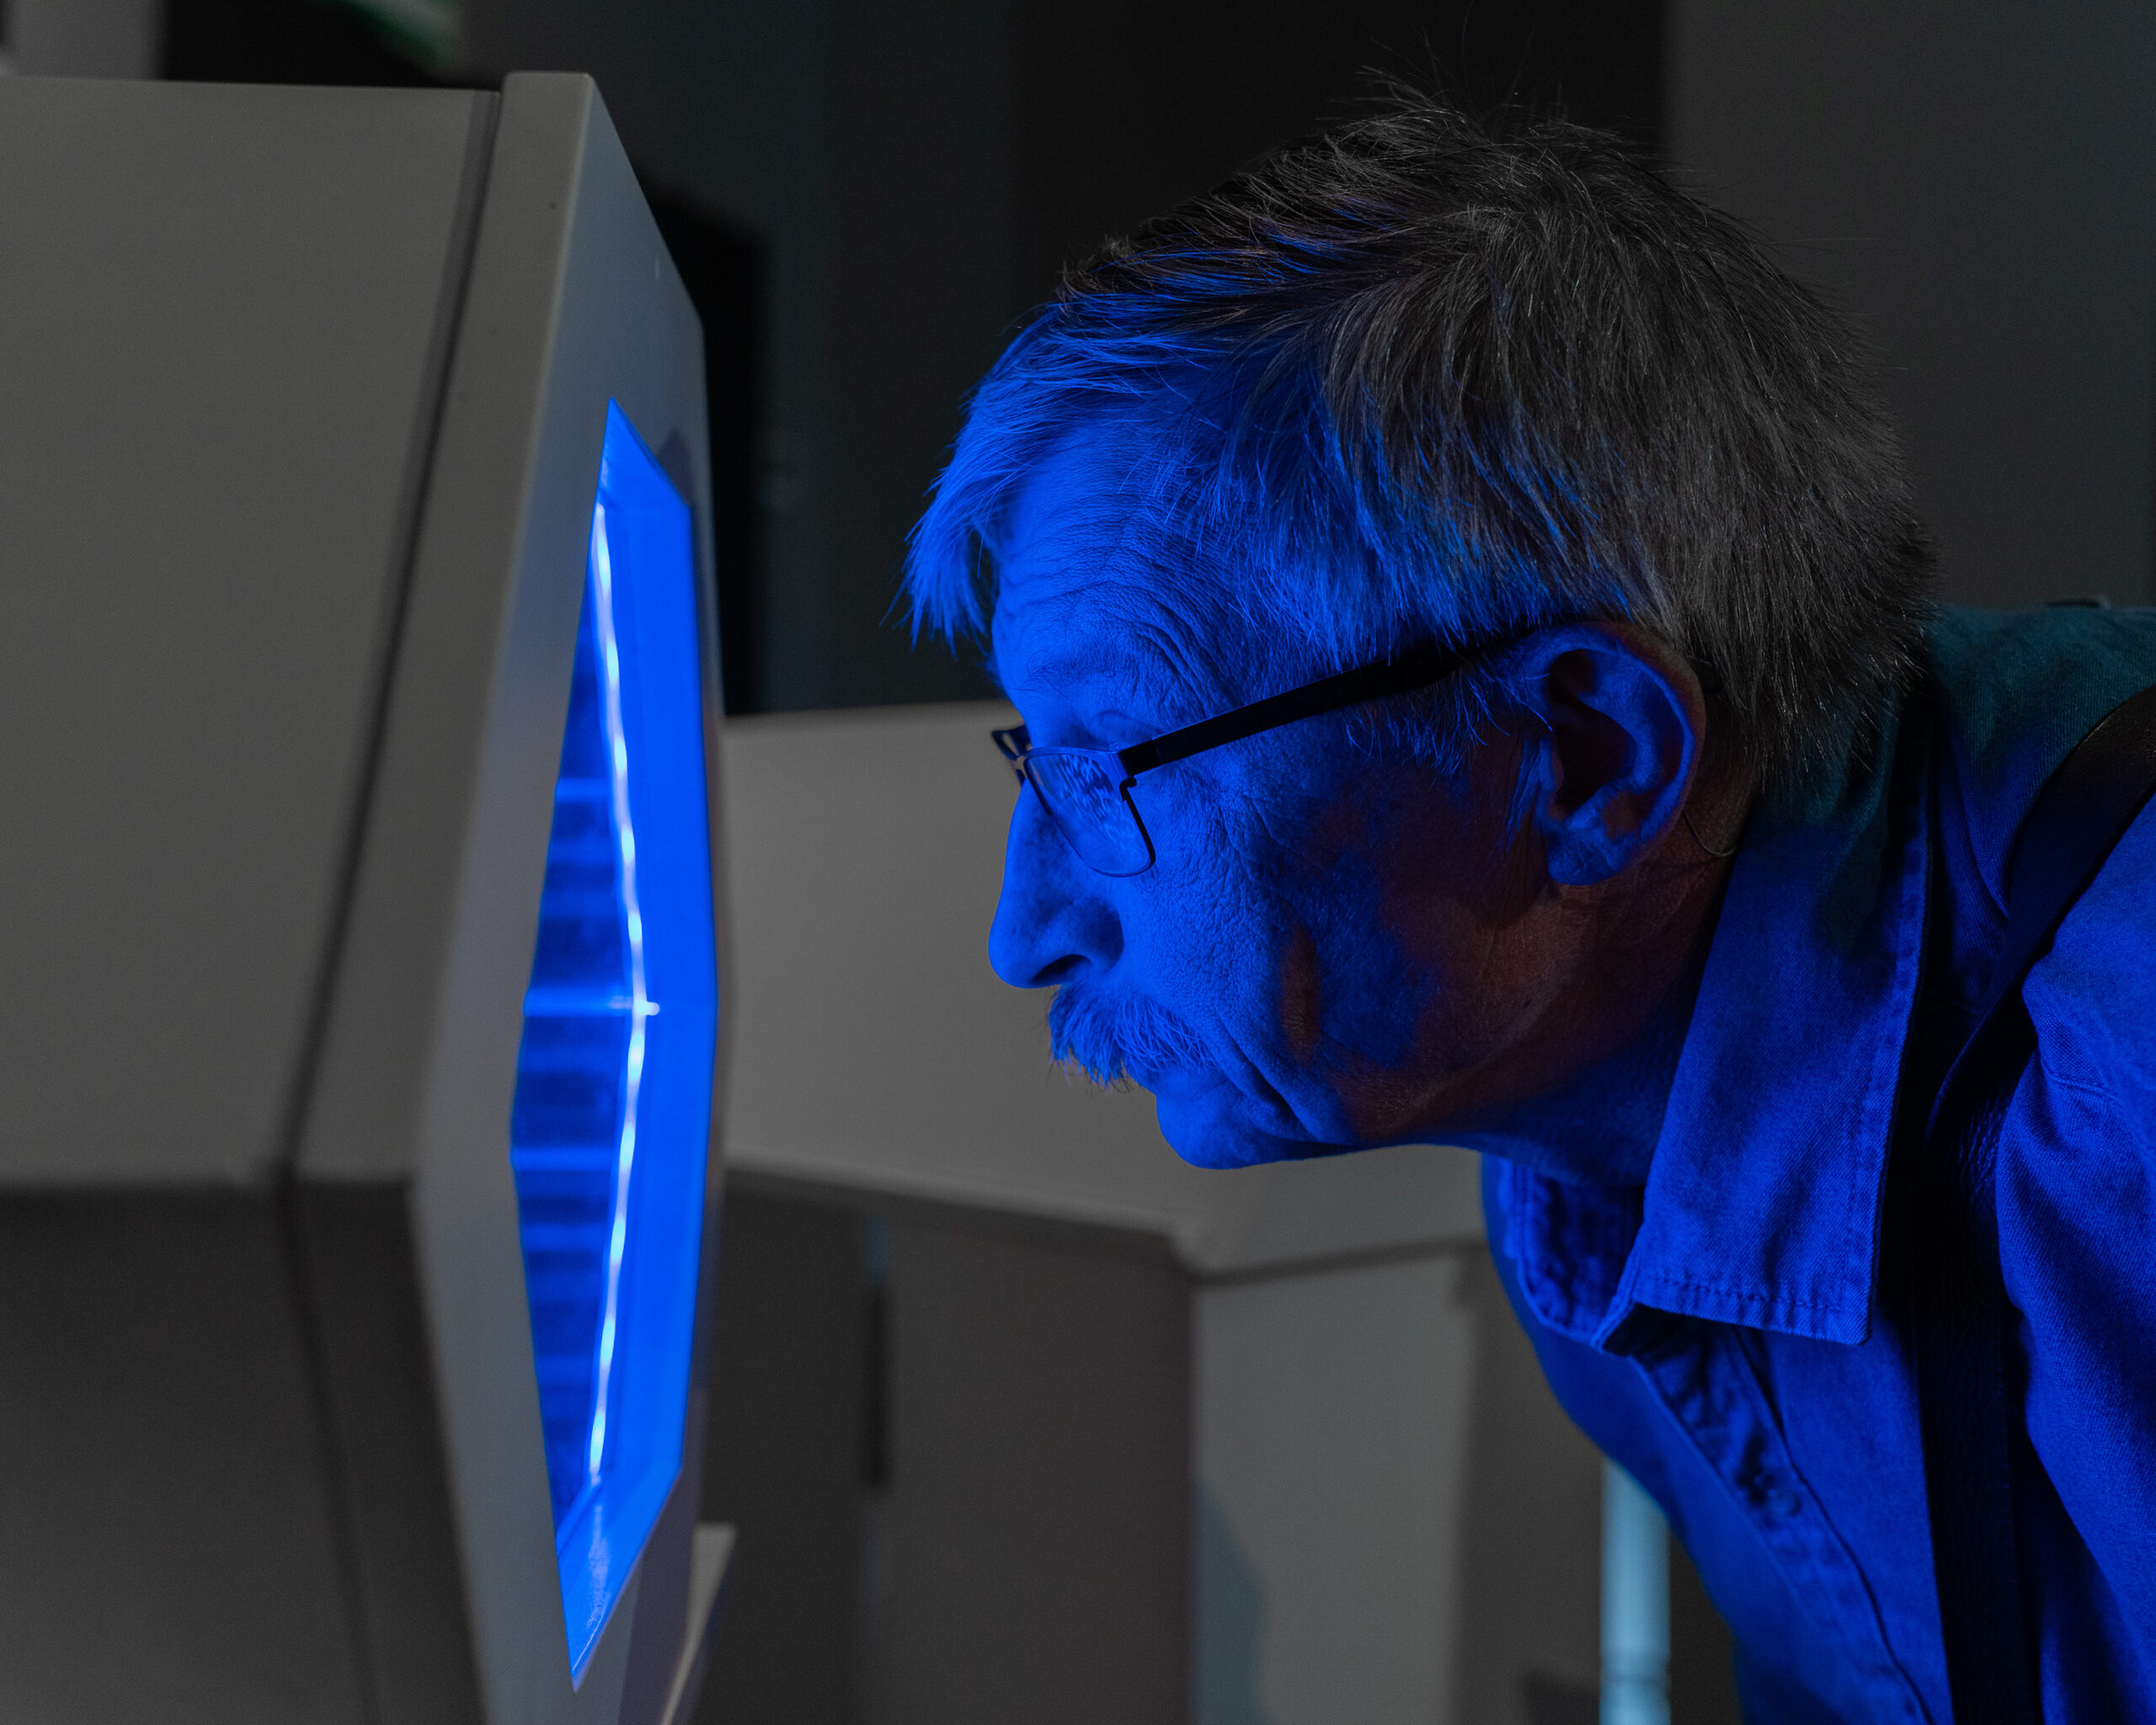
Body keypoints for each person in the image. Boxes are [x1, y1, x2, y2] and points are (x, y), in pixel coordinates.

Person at [902, 97, 2156, 1722]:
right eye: (1037, 761)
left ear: (1584, 759)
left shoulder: (2123, 1109)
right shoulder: (1575, 1125)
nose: (1027, 931)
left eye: (1111, 770)